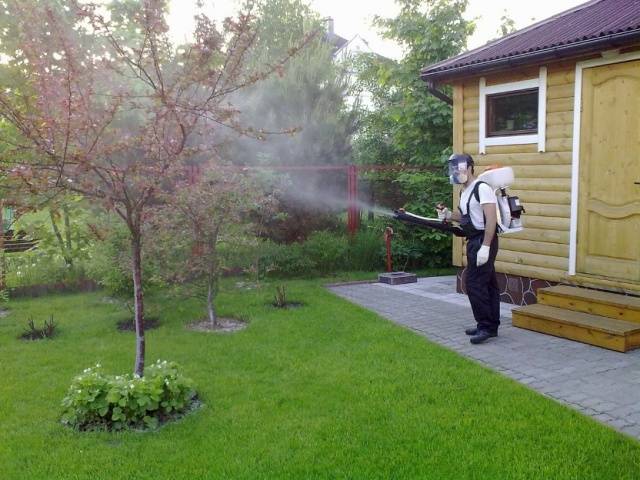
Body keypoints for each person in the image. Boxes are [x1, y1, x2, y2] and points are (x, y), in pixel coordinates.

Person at [436, 153, 500, 344]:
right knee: (489, 285)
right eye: (453, 168)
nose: (456, 171)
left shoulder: (482, 188)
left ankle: (485, 327)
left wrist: (486, 247)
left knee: (474, 284)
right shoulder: (464, 192)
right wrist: (448, 214)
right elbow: (465, 217)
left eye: (458, 167)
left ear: (470, 167)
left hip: (483, 240)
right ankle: (490, 325)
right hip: (474, 240)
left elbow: (491, 219)